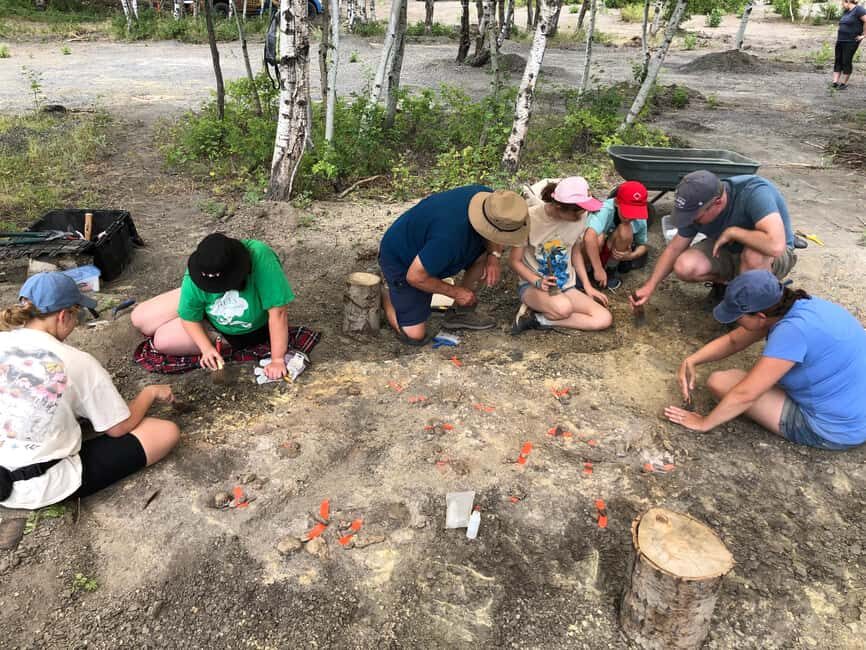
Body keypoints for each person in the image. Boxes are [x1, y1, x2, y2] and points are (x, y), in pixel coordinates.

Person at [0, 273, 179, 545]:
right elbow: (119, 428)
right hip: (38, 484)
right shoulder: (77, 362)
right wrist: (149, 392)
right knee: (164, 431)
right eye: (76, 314)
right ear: (63, 316)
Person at [664, 270, 866, 451]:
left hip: (835, 429)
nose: (735, 321)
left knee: (721, 382)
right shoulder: (799, 306)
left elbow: (746, 395)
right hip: (854, 409)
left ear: (760, 315)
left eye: (738, 316)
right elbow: (734, 340)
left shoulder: (791, 332)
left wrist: (704, 423)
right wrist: (692, 360)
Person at [131, 234, 295, 380]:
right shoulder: (202, 268)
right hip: (210, 307)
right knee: (139, 318)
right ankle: (200, 307)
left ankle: (213, 327)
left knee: (162, 340)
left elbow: (278, 312)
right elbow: (188, 317)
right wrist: (206, 348)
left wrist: (277, 359)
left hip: (241, 326)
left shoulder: (259, 256)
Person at [378, 185, 528, 344]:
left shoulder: (493, 201)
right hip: (402, 259)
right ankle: (384, 292)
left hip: (433, 252)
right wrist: (456, 292)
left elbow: (492, 230)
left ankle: (458, 312)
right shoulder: (449, 237)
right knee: (414, 335)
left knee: (482, 258)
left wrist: (494, 256)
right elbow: (415, 276)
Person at [630, 171, 797, 310]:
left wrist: (734, 232)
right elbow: (674, 249)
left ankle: (749, 309)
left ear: (718, 202)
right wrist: (650, 286)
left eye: (695, 217)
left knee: (753, 255)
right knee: (685, 266)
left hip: (773, 256)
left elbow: (775, 245)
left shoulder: (754, 192)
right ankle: (728, 288)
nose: (691, 221)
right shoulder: (698, 199)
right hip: (726, 248)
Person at [509, 177, 611, 334]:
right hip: (533, 285)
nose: (582, 215)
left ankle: (538, 319)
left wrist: (587, 286)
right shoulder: (529, 219)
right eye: (578, 212)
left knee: (603, 318)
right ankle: (543, 306)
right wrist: (537, 282)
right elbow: (514, 261)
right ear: (558, 206)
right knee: (564, 308)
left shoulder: (580, 216)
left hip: (565, 285)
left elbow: (575, 251)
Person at [582, 180, 650, 291]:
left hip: (612, 251)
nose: (630, 217)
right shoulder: (604, 209)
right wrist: (598, 268)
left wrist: (632, 256)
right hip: (595, 250)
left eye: (635, 213)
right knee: (598, 238)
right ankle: (587, 270)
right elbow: (589, 237)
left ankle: (610, 270)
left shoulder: (640, 219)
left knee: (626, 229)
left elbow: (643, 245)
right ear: (617, 203)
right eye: (627, 212)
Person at [833, 0, 866, 90]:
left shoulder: (859, 10)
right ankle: (835, 83)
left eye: (842, 3)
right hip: (840, 40)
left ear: (847, 1)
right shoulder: (846, 12)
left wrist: (863, 35)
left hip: (851, 41)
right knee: (838, 60)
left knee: (846, 61)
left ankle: (843, 84)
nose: (842, 5)